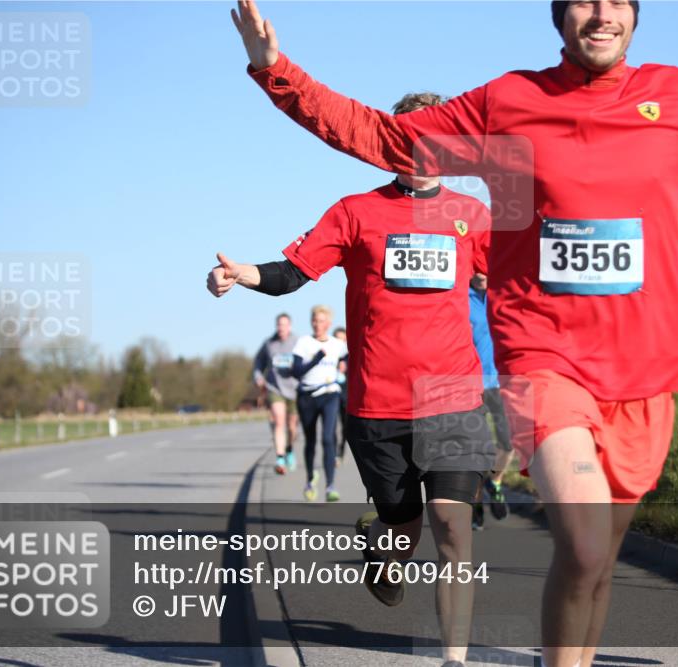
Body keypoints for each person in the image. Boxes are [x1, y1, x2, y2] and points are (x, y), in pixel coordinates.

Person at [230, 1, 678, 663]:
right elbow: (385, 137)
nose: (600, 15)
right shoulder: (510, 104)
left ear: (634, 15)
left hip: (643, 373)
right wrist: (276, 71)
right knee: (584, 537)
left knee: (598, 565)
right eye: (582, 1)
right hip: (543, 359)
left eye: (616, 2)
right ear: (557, 15)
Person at [206, 91, 494, 667]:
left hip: (453, 395)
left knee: (453, 529)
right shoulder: (355, 211)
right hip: (377, 403)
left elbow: (518, 280)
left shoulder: (475, 217)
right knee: (402, 523)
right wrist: (244, 274)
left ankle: (453, 659)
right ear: (388, 143)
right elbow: (295, 272)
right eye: (408, 137)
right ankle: (383, 543)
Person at [291, 305, 347, 502]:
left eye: (322, 321)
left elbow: (348, 359)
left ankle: (330, 485)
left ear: (329, 323)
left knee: (328, 438)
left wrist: (344, 365)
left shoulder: (337, 344)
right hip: (307, 396)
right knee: (311, 441)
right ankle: (310, 478)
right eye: (315, 320)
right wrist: (316, 359)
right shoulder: (304, 343)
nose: (317, 324)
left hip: (330, 393)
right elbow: (296, 372)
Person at [469, 272, 513, 522]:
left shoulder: (503, 293)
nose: (482, 273)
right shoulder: (461, 298)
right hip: (470, 385)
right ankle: (475, 506)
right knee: (476, 448)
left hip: (500, 382)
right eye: (477, 267)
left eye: (486, 268)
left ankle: (494, 483)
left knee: (507, 443)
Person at [252, 313, 299, 474]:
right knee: (279, 422)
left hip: (294, 389)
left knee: (292, 427)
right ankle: (280, 458)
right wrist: (258, 377)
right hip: (275, 388)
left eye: (284, 325)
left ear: (290, 326)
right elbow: (258, 362)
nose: (281, 328)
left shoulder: (297, 342)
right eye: (279, 325)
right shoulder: (269, 344)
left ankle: (290, 449)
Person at [333, 326, 349, 466]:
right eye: (338, 339)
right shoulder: (329, 356)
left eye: (343, 340)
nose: (341, 343)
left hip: (346, 396)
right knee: (331, 425)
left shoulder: (351, 357)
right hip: (331, 395)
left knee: (344, 426)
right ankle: (333, 453)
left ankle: (340, 451)